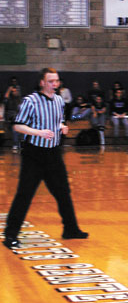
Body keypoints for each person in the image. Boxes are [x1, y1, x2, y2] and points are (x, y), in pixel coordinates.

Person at [3, 68, 88, 249]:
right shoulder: (30, 101)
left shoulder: (58, 100)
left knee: (63, 192)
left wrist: (62, 126)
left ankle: (70, 229)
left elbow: (56, 120)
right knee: (24, 194)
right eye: (50, 81)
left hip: (53, 154)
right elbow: (17, 126)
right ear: (42, 82)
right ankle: (10, 234)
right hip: (34, 154)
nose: (54, 84)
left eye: (56, 81)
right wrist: (38, 132)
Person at [3, 81, 23, 152]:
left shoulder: (19, 100)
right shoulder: (9, 99)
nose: (15, 92)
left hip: (18, 117)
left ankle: (18, 144)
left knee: (19, 128)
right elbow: (5, 98)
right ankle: (16, 144)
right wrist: (9, 89)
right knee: (15, 128)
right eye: (13, 91)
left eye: (16, 90)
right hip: (11, 116)